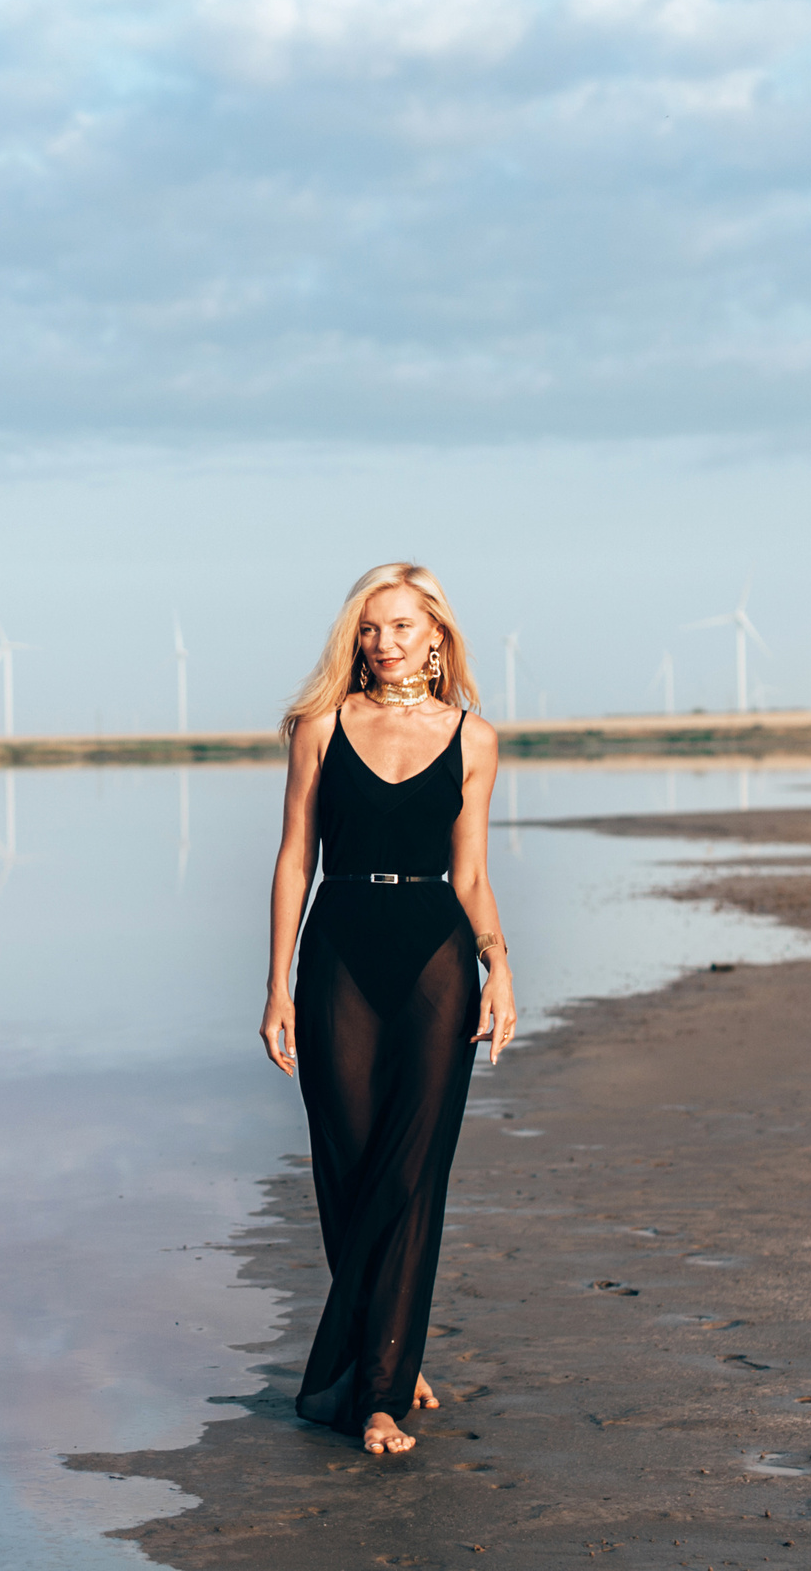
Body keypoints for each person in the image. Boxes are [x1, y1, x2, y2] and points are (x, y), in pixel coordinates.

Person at [258, 562, 517, 1457]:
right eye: (370, 628)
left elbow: (472, 874)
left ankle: (378, 1394)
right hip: (338, 956)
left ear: (436, 635)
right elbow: (295, 859)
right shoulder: (319, 728)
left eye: (403, 626)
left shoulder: (474, 739)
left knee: (413, 1171)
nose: (384, 642)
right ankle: (389, 1354)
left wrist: (499, 965)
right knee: (349, 1165)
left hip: (437, 963)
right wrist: (277, 984)